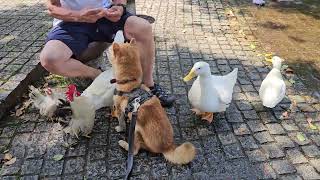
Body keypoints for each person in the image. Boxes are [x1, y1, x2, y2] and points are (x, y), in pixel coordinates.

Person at [40, 0, 176, 107]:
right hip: (72, 21)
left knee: (143, 28)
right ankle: (98, 76)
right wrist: (78, 15)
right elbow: (52, 7)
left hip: (107, 15)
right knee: (50, 58)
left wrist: (119, 7)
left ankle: (148, 84)